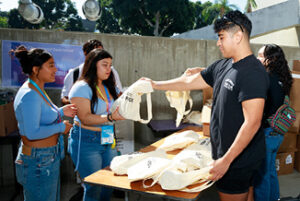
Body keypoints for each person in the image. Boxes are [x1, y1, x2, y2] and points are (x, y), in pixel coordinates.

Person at [142, 10, 269, 201]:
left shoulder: (253, 72)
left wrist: (225, 161)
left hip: (237, 159)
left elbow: (252, 122)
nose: (218, 43)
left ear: (238, 36)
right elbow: (188, 82)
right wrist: (154, 85)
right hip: (230, 155)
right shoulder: (223, 66)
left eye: (221, 37)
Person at [13, 45, 76, 201]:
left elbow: (40, 115)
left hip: (45, 158)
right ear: (36, 69)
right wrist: (61, 127)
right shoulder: (30, 95)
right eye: (50, 65)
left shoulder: (37, 89)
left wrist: (61, 111)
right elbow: (31, 132)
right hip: (39, 160)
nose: (55, 69)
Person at [68, 48, 125, 201]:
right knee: (94, 187)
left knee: (108, 183)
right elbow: (85, 118)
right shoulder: (81, 88)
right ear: (93, 65)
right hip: (87, 140)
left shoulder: (108, 86)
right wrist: (111, 117)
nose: (109, 69)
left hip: (107, 135)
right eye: (104, 65)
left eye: (110, 65)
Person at [252, 44, 293, 201]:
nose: (258, 58)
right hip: (278, 133)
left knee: (261, 176)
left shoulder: (267, 78)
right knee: (270, 171)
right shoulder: (283, 79)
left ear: (272, 59)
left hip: (267, 133)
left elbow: (266, 108)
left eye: (261, 56)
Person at [61, 39, 123, 105]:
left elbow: (120, 96)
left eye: (101, 52)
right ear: (85, 54)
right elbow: (64, 99)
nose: (99, 56)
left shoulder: (111, 71)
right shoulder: (74, 74)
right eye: (95, 53)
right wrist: (81, 103)